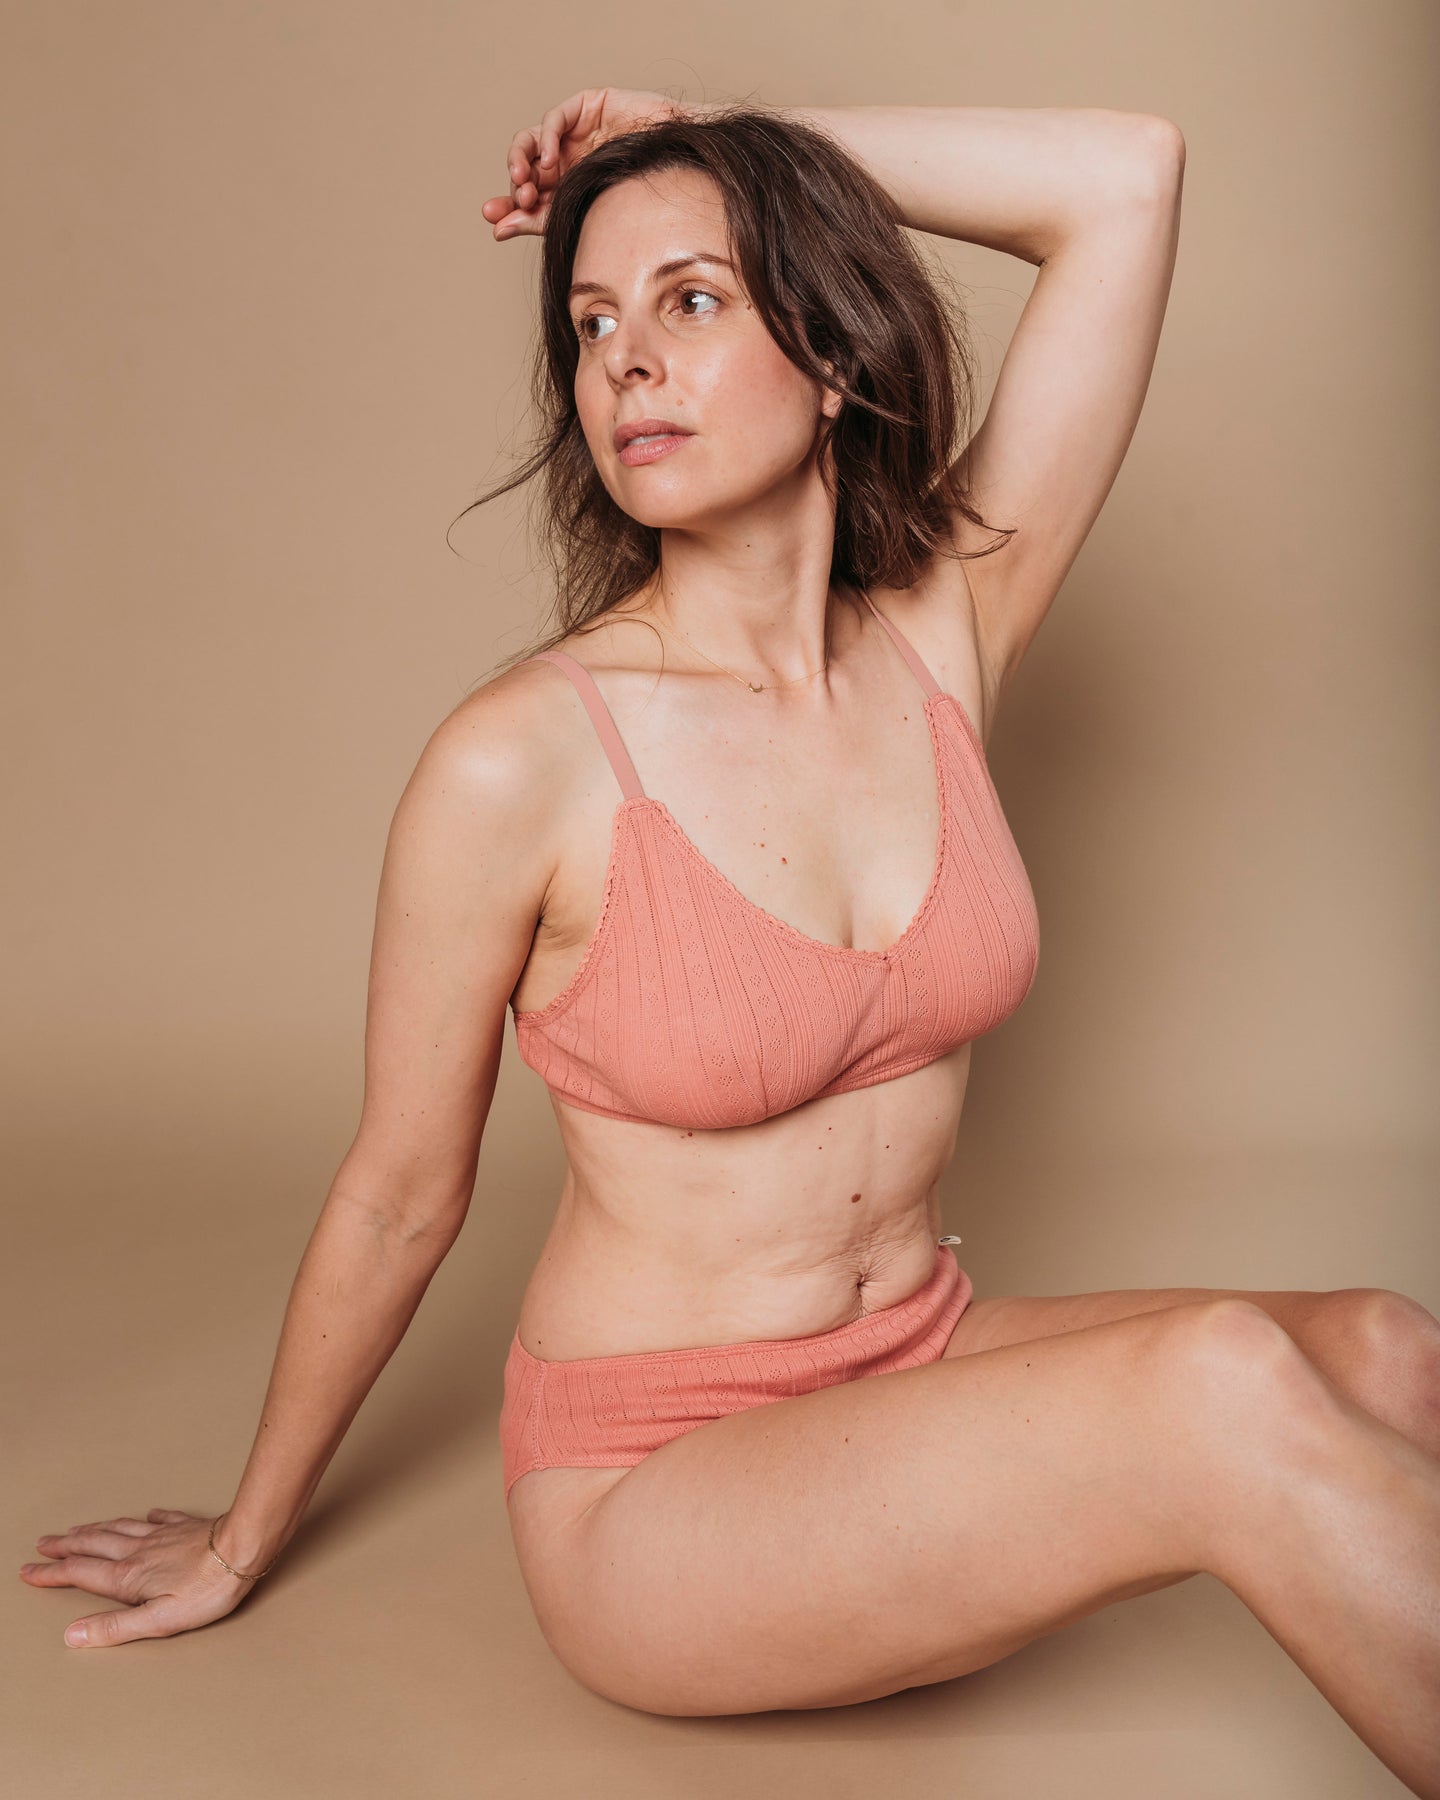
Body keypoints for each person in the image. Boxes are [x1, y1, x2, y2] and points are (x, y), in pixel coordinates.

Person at [21, 86, 1440, 1792]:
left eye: (690, 299)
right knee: (1218, 1385)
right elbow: (400, 1190)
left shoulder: (940, 635)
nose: (626, 359)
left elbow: (1127, 180)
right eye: (591, 323)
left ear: (833, 353)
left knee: (1387, 1351)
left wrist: (722, 136)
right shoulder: (522, 761)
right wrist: (244, 1534)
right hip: (658, 1487)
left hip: (915, 1357)